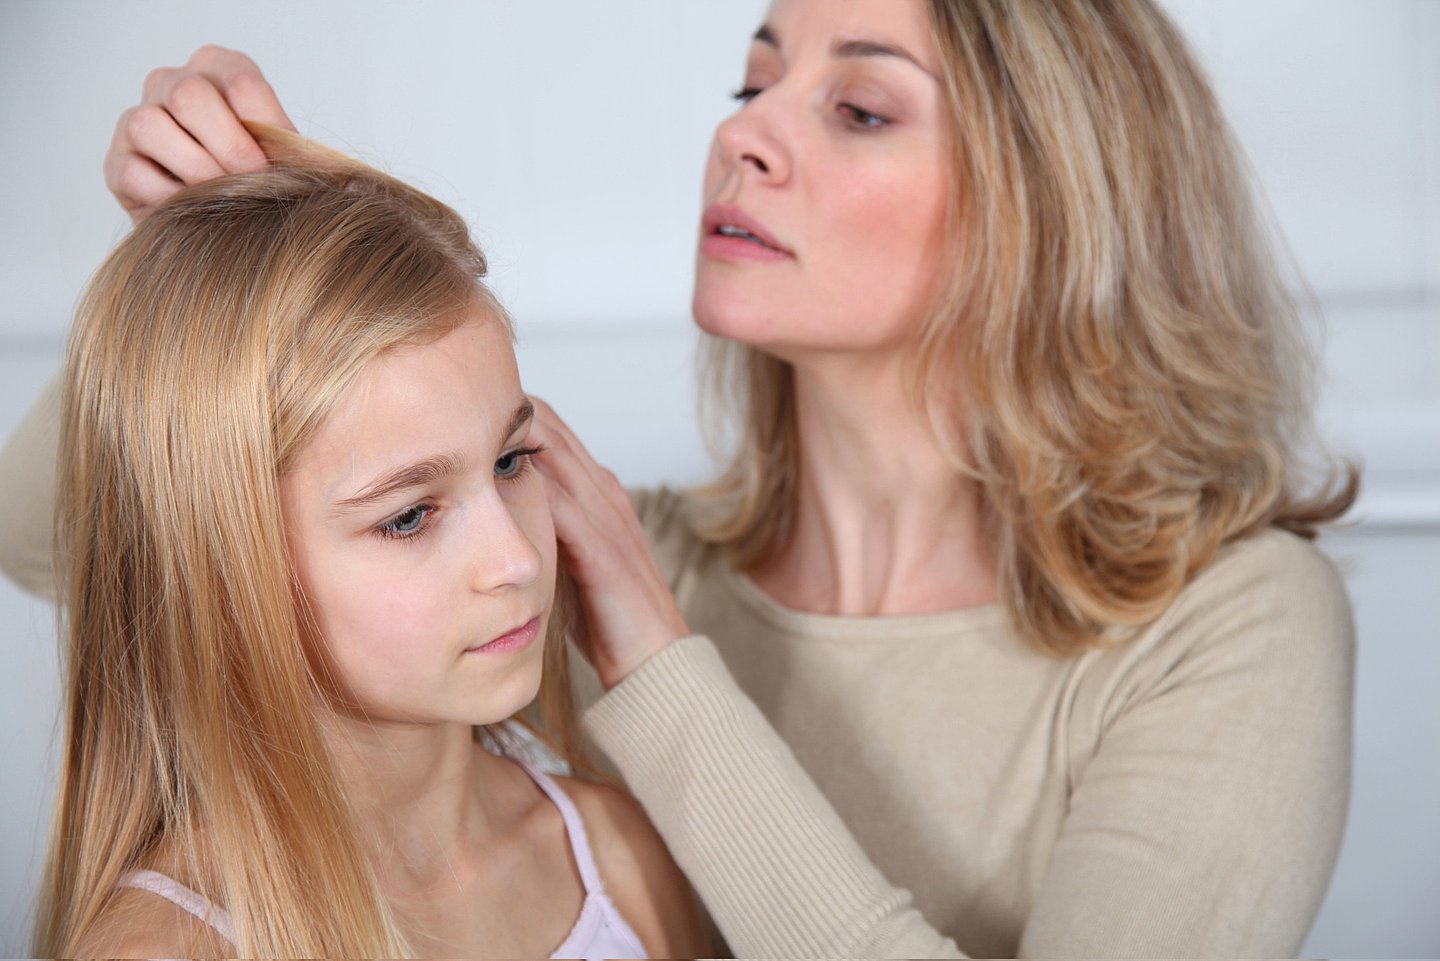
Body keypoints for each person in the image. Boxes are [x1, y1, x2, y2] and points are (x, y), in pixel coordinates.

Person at [0, 0, 1359, 956]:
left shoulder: (1234, 624)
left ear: (1060, 202)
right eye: (751, 81)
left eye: (861, 107)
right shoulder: (557, 562)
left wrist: (658, 664)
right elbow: (66, 545)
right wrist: (197, 268)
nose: (748, 135)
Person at [29, 125, 705, 959]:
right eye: (409, 515)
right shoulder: (165, 948)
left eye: (511, 459)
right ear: (224, 568)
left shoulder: (616, 851)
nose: (520, 560)